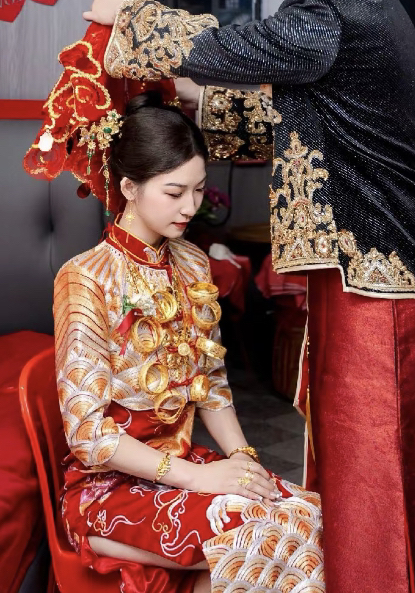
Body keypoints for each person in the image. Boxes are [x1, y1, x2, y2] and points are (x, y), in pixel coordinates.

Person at [82, 0, 415, 593]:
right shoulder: (375, 6)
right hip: (385, 271)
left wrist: (127, 15)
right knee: (400, 468)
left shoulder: (334, 10)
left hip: (380, 278)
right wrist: (198, 103)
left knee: (376, 470)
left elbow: (237, 48)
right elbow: (301, 119)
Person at [50, 91, 324, 593]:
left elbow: (211, 383)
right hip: (106, 490)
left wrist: (243, 459)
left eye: (199, 190)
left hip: (181, 469)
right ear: (129, 188)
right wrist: (198, 478)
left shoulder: (193, 263)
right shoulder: (85, 277)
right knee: (262, 536)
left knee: (312, 516)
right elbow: (87, 435)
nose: (191, 207)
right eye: (174, 192)